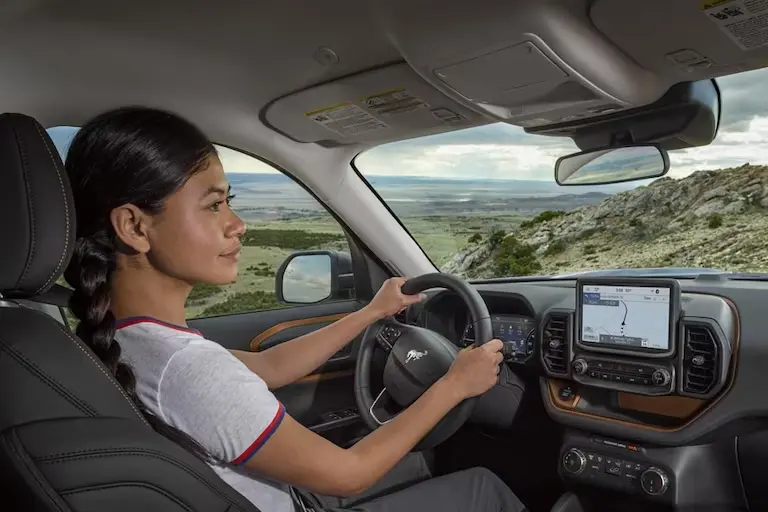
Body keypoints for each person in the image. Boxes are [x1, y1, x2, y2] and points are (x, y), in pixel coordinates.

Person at [62, 106, 529, 512]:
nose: (238, 225)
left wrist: (370, 312)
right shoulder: (187, 369)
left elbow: (269, 366)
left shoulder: (130, 340)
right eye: (214, 205)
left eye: (231, 202)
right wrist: (454, 385)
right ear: (134, 226)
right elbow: (348, 473)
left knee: (415, 463)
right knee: (483, 489)